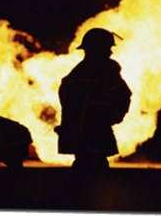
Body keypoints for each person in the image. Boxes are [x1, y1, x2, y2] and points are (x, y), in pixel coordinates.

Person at [55, 28, 132, 171]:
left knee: (81, 172)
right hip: (96, 135)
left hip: (77, 137)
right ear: (98, 49)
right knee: (97, 176)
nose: (110, 52)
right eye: (107, 48)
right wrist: (111, 117)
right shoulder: (107, 72)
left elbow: (65, 100)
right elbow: (122, 96)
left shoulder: (75, 74)